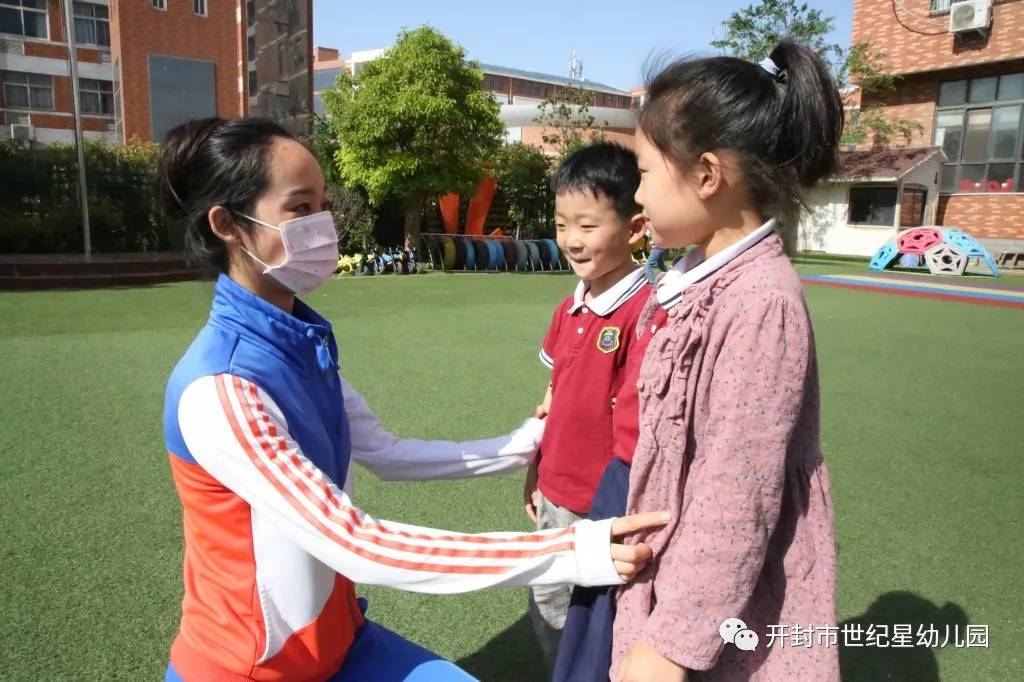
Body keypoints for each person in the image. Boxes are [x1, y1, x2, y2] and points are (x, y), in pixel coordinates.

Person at [156, 117, 668, 682]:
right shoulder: (222, 387)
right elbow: (355, 544)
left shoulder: (298, 345)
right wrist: (573, 551)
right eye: (300, 208)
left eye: (322, 205)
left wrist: (532, 442)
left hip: (341, 645)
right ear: (228, 225)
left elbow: (386, 453)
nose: (323, 226)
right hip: (249, 671)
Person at [613, 40, 844, 681]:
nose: (637, 194)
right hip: (677, 566)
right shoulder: (699, 274)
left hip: (722, 604)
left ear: (708, 176)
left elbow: (736, 493)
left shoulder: (760, 302)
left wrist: (672, 644)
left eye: (645, 173)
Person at [523, 142, 650, 669]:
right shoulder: (570, 306)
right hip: (555, 492)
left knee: (597, 622)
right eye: (561, 225)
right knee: (549, 607)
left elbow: (643, 427)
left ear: (635, 228)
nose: (571, 240)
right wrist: (536, 470)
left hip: (603, 506)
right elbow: (552, 399)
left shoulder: (645, 312)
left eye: (588, 226)